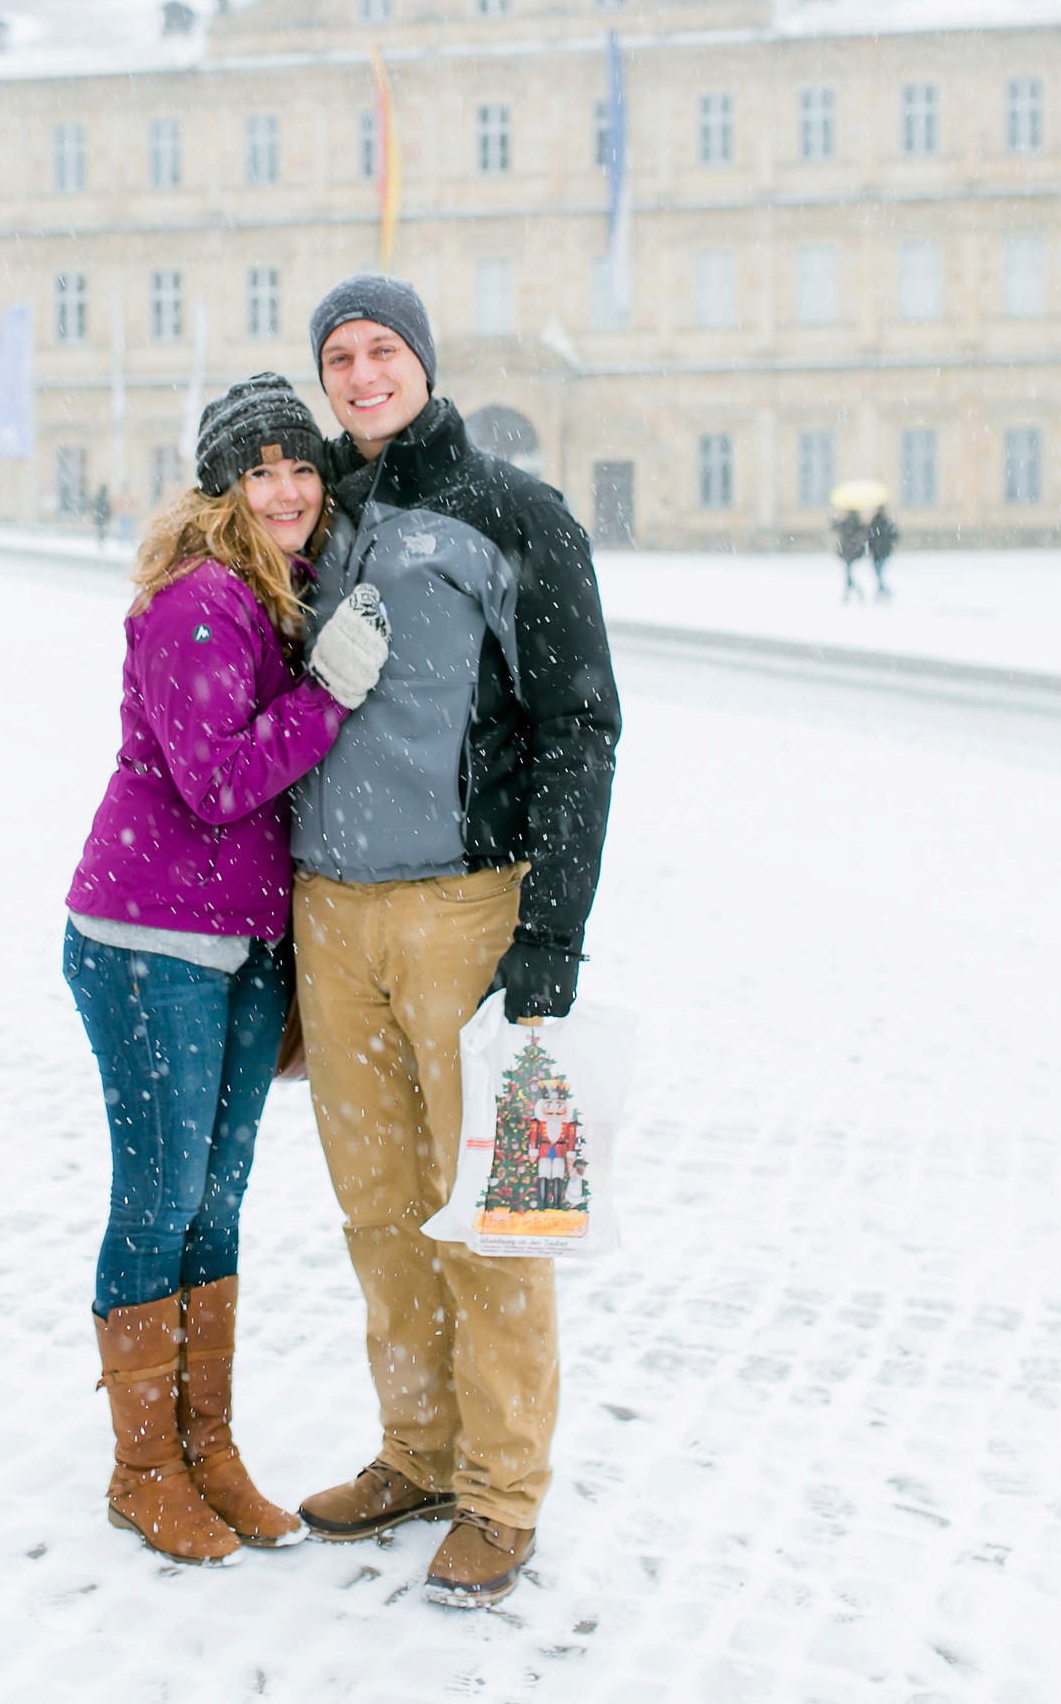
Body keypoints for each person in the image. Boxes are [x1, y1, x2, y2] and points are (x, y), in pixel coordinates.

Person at [289, 275, 622, 1609]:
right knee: (378, 1216)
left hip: (466, 911)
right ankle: (417, 1451)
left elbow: (580, 726)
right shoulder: (309, 513)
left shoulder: (516, 514)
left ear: (422, 361)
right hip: (331, 910)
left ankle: (499, 1492)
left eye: (383, 349)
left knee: (491, 1221)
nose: (363, 372)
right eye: (339, 354)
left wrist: (554, 932)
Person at [63, 373, 392, 1567]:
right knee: (158, 1201)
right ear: (223, 486)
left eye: (301, 464)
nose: (289, 486)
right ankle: (141, 1465)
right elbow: (214, 782)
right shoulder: (202, 598)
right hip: (152, 946)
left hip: (237, 947)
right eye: (259, 469)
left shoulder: (281, 588)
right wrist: (326, 697)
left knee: (215, 1200)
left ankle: (207, 1446)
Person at [835, 508, 867, 601]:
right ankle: (852, 590)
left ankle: (852, 590)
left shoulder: (847, 523)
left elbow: (836, 527)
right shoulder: (858, 523)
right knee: (848, 571)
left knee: (848, 572)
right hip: (854, 551)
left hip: (847, 550)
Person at [867, 504, 898, 599]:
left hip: (877, 552)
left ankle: (883, 590)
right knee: (879, 572)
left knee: (878, 572)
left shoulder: (875, 522)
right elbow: (894, 535)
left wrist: (871, 548)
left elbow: (870, 537)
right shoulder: (887, 522)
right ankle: (882, 590)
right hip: (883, 551)